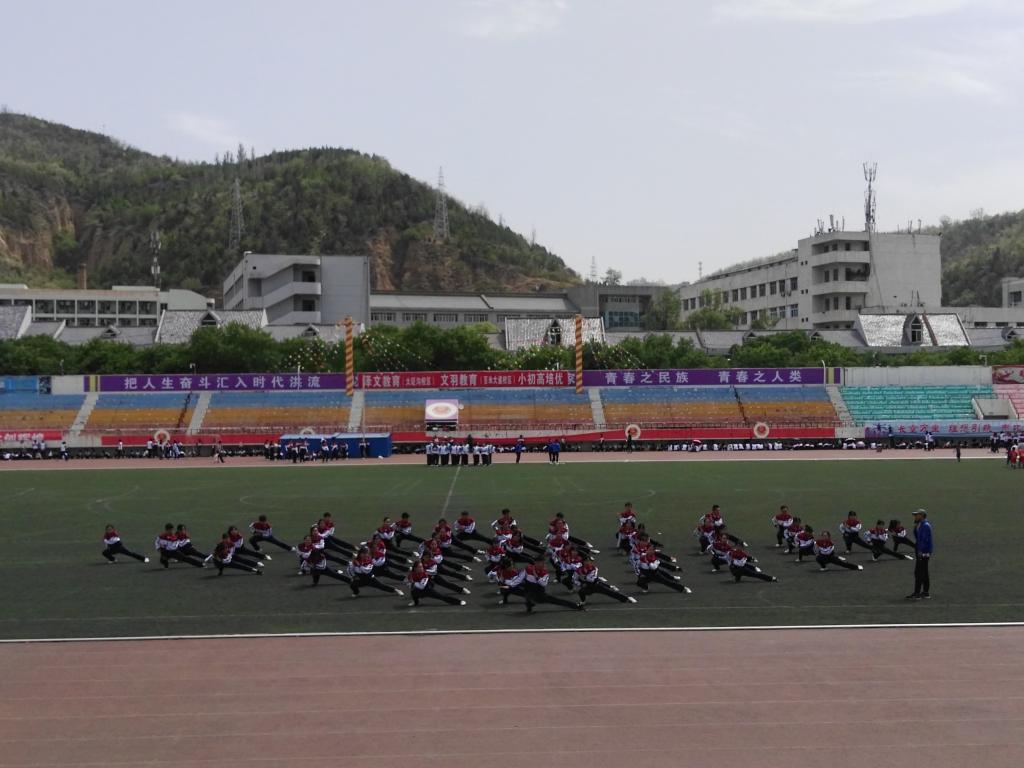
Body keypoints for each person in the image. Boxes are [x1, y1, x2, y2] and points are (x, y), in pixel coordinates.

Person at [907, 508, 933, 599]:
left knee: (918, 572)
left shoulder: (925, 526)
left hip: (923, 552)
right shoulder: (921, 525)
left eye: (916, 515)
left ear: (922, 515)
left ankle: (917, 593)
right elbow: (918, 538)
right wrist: (915, 528)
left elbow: (924, 540)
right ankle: (925, 592)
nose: (915, 517)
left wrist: (920, 551)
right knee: (924, 572)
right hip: (923, 551)